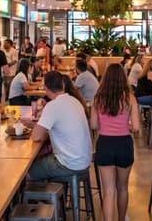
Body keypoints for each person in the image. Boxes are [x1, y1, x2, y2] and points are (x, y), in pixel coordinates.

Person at [90, 64, 141, 221]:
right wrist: (128, 126)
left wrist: (105, 124)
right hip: (124, 144)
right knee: (123, 188)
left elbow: (93, 125)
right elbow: (137, 127)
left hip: (104, 144)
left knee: (108, 191)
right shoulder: (130, 98)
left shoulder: (98, 98)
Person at [25, 71, 92, 180]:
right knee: (43, 158)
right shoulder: (74, 100)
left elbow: (36, 136)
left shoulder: (53, 106)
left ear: (45, 88)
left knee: (27, 172)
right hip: (84, 160)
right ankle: (49, 195)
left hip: (69, 164)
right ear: (63, 84)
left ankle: (39, 196)